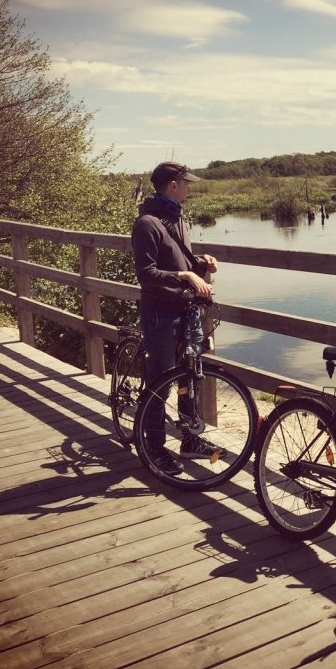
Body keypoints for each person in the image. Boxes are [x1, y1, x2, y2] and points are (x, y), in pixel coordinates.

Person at [131, 161, 220, 475]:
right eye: (186, 183)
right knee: (160, 383)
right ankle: (154, 448)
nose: (189, 188)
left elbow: (179, 260)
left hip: (186, 309)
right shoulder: (147, 224)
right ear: (173, 185)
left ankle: (190, 440)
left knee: (190, 376)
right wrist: (184, 275)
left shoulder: (176, 218)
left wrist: (200, 263)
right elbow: (146, 274)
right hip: (161, 314)